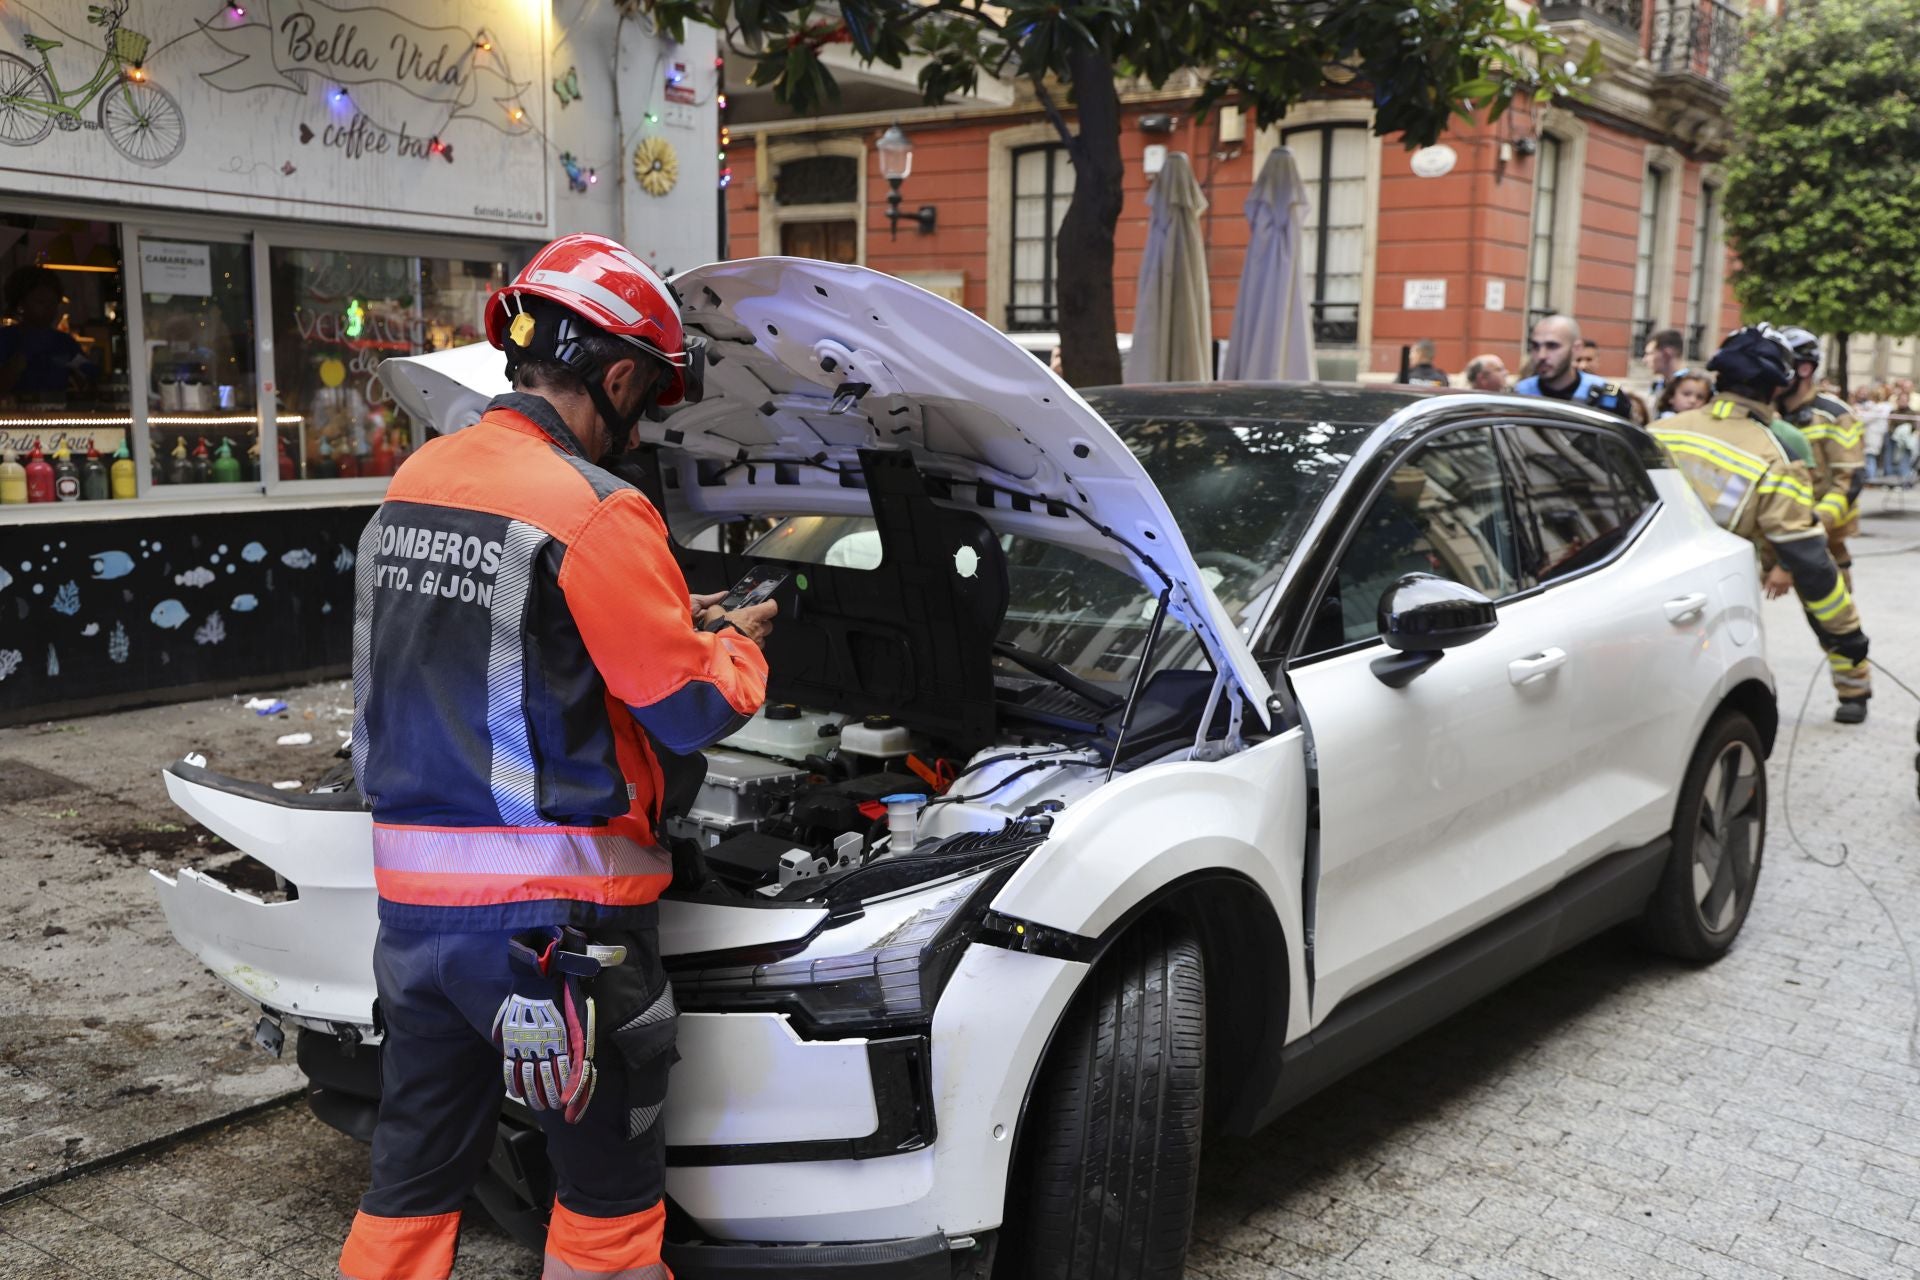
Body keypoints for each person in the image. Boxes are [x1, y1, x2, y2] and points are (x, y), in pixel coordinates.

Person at [339, 233, 775, 1280]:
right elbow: (685, 709)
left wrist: (670, 612)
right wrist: (738, 644)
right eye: (651, 396)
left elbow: (497, 644)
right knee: (607, 1206)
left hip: (415, 925)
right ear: (618, 377)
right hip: (562, 934)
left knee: (409, 1186)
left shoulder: (418, 481)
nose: (645, 422)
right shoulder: (595, 505)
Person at [1650, 325, 1870, 723]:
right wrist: (1849, 637)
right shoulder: (1774, 453)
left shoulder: (1659, 432)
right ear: (1775, 388)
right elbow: (1811, 565)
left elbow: (1849, 480)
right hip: (1738, 575)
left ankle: (1853, 689)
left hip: (1651, 588)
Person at [1776, 326, 1865, 584]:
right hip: (1775, 533)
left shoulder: (1836, 416)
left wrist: (1813, 527)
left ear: (1804, 369)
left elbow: (1849, 482)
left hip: (1823, 539)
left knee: (1833, 618)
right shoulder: (1770, 411)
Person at [0, 265, 96, 402]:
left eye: (53, 302)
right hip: (12, 418)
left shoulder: (64, 342)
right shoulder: (5, 339)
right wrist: (19, 360)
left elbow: (90, 381)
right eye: (41, 302)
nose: (49, 308)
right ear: (21, 305)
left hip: (54, 417)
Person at [1514, 314, 1633, 419]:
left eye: (1552, 346)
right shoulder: (1519, 394)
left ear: (1576, 349)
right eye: (1535, 346)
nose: (1541, 355)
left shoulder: (1606, 396)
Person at [1643, 327, 1687, 399]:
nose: (1644, 360)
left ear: (1667, 354)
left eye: (1650, 354)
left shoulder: (1694, 386)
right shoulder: (1657, 386)